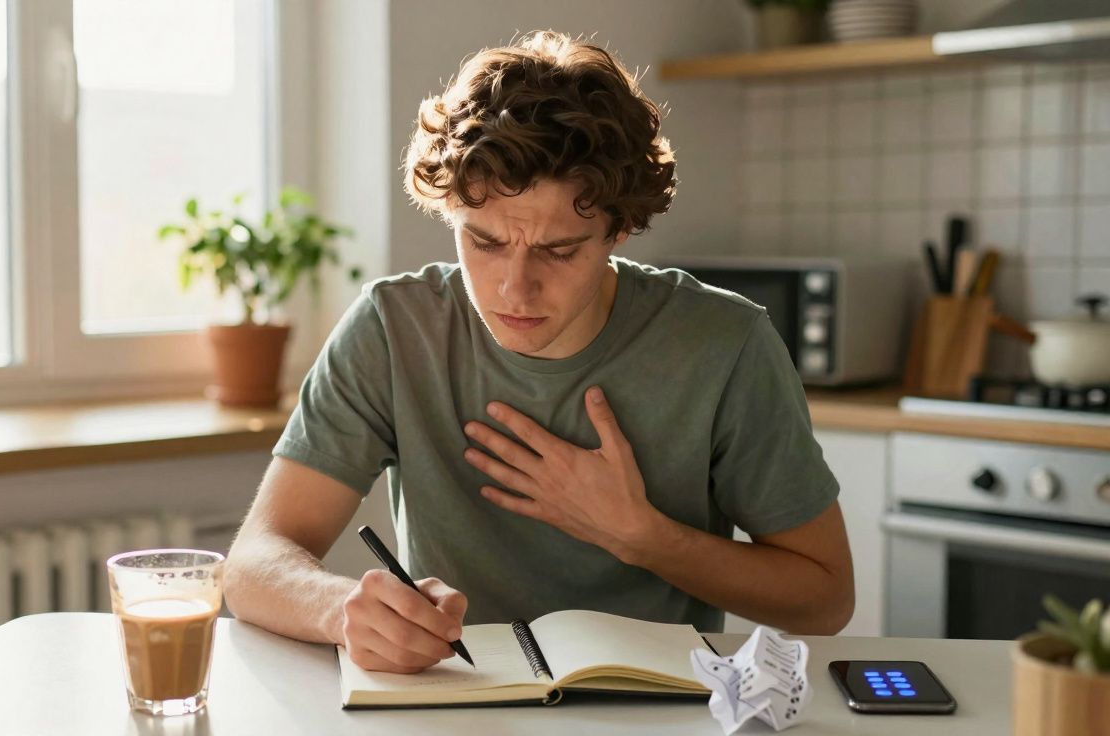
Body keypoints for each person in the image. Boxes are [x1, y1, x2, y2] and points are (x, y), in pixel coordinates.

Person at [223, 30, 854, 675]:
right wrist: (342, 610)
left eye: (559, 251)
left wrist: (643, 536)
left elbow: (827, 600)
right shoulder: (394, 330)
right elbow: (252, 564)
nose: (514, 289)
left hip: (655, 707)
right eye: (485, 243)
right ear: (449, 211)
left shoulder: (725, 343)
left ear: (619, 229)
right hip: (458, 699)